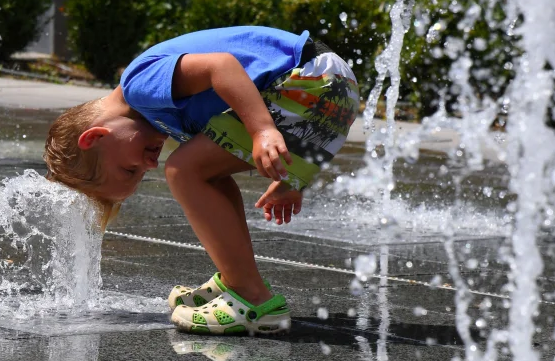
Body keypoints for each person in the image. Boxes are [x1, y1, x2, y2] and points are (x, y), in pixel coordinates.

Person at [44, 26, 360, 335]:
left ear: (96, 136)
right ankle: (235, 277)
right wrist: (292, 178)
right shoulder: (162, 115)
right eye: (138, 174)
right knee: (205, 170)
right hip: (327, 86)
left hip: (309, 77)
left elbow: (221, 66)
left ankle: (251, 297)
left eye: (131, 169)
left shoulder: (138, 85)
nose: (150, 165)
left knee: (183, 169)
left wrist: (262, 129)